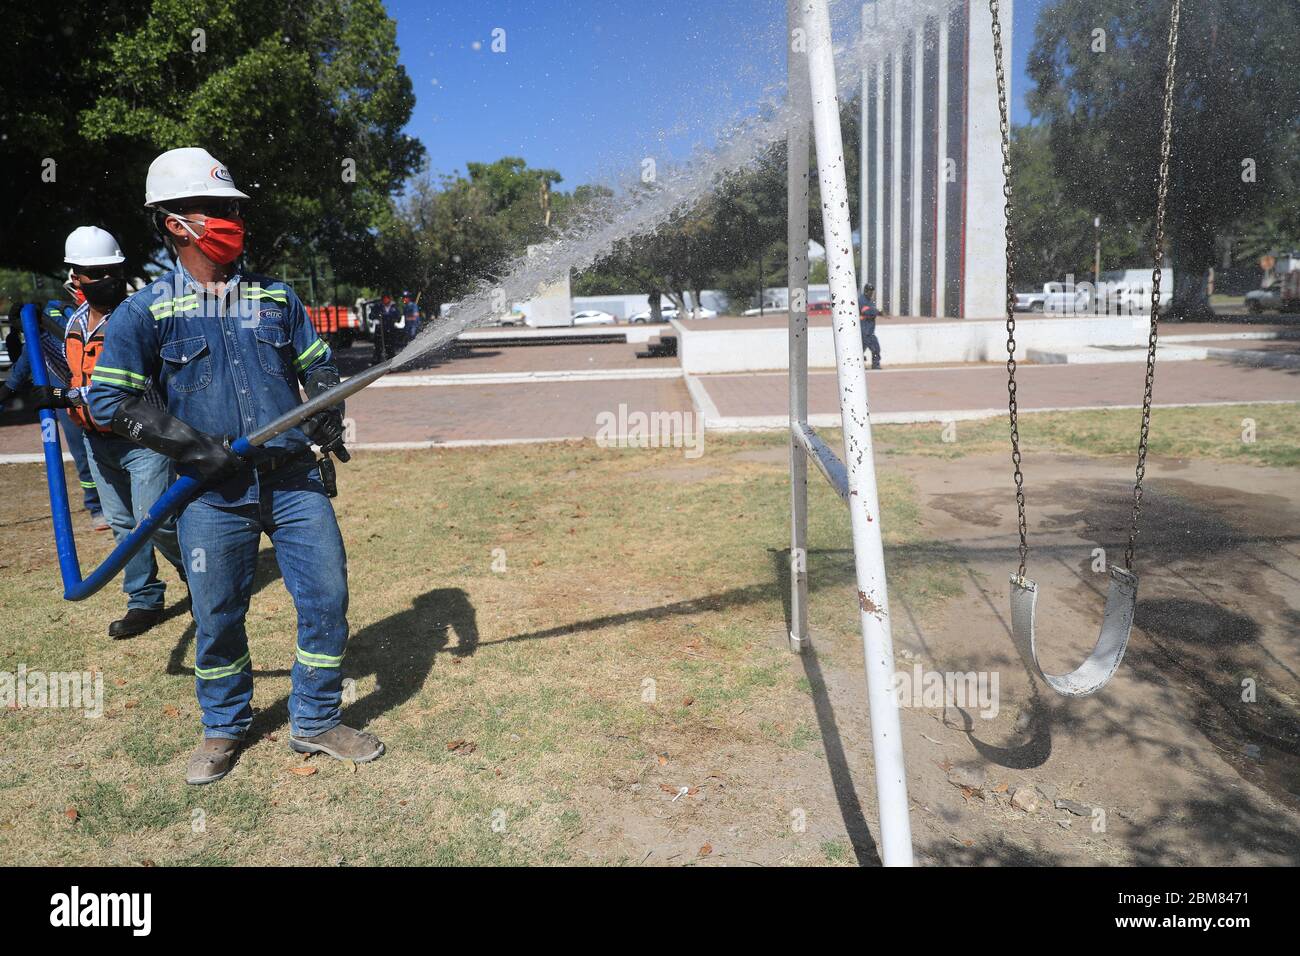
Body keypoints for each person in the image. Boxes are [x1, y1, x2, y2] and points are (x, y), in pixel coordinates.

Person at [89, 147, 383, 785]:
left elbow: (316, 365)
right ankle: (223, 727)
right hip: (209, 492)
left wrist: (326, 406)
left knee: (326, 596)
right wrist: (188, 444)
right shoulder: (147, 313)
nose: (231, 220)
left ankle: (315, 719)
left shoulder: (277, 298)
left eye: (234, 209)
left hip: (293, 480)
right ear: (174, 222)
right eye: (215, 210)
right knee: (218, 613)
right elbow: (110, 399)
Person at [35, 226, 186, 638]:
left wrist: (67, 396)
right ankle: (143, 599)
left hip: (142, 437)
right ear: (75, 278)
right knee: (122, 524)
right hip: (97, 440)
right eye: (94, 272)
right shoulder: (75, 322)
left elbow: (125, 384)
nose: (105, 279)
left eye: (111, 270)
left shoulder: (138, 317)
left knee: (153, 520)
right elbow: (62, 362)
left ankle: (199, 575)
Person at [0, 300, 108, 529]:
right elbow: (24, 365)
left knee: (108, 446)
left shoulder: (63, 316)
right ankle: (96, 506)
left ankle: (116, 500)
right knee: (81, 453)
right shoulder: (34, 341)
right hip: (63, 397)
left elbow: (68, 338)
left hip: (90, 390)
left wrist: (45, 321)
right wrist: (8, 390)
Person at [859, 282, 882, 370]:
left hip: (870, 330)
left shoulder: (870, 301)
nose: (871, 293)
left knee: (875, 348)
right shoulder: (862, 300)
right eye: (869, 291)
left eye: (872, 291)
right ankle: (860, 365)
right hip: (864, 330)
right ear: (866, 291)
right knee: (863, 349)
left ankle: (875, 364)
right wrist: (877, 311)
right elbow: (866, 311)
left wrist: (876, 311)